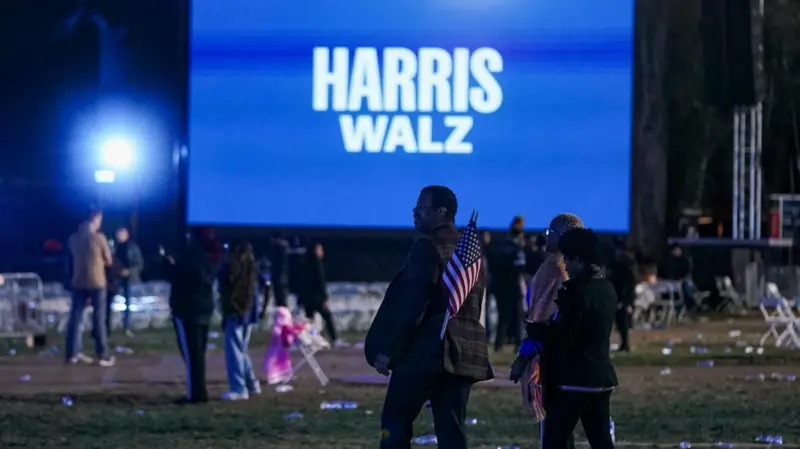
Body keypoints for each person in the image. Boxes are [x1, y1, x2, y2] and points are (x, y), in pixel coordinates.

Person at [365, 185, 493, 449]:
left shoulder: (428, 247)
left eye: (421, 206)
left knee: (395, 421)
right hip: (463, 353)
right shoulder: (470, 250)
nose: (415, 211)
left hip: (427, 353)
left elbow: (414, 304)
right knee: (451, 430)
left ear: (440, 211)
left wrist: (390, 350)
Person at [527, 228, 618, 449]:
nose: (565, 265)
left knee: (555, 441)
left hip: (573, 380)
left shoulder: (577, 291)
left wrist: (535, 330)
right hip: (601, 377)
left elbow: (564, 337)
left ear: (578, 259)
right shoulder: (606, 287)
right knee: (601, 440)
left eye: (567, 258)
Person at [510, 213, 583, 448]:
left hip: (551, 358)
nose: (545, 236)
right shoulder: (566, 266)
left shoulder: (556, 268)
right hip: (563, 357)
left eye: (550, 232)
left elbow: (543, 318)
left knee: (553, 431)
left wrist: (525, 354)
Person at [166, 227, 220, 405]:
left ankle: (195, 393)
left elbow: (182, 277)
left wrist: (170, 266)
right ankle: (198, 390)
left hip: (189, 308)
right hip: (204, 307)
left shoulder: (191, 256)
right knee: (198, 353)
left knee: (191, 353)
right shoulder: (213, 256)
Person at [64, 209, 116, 367]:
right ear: (95, 219)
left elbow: (71, 258)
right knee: (98, 318)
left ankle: (72, 353)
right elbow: (109, 260)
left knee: (75, 318)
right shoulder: (99, 238)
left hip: (78, 281)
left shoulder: (73, 239)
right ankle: (102, 354)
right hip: (97, 282)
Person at [218, 242, 262, 400]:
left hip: (235, 313)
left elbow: (227, 291)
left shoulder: (233, 267)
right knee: (241, 350)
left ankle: (239, 388)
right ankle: (251, 384)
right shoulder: (252, 267)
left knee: (234, 351)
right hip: (247, 314)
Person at [488, 223, 526, 352]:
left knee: (503, 317)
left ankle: (498, 345)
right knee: (517, 317)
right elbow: (520, 269)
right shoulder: (516, 249)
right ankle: (518, 344)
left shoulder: (497, 248)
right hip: (513, 288)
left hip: (499, 287)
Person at [298, 242, 343, 347]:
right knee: (327, 317)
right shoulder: (317, 263)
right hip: (317, 297)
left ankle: (310, 340)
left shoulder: (304, 263)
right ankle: (335, 339)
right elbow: (321, 281)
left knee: (310, 320)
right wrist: (325, 297)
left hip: (307, 298)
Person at [113, 227, 144, 337]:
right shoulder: (115, 247)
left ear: (127, 235)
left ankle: (126, 327)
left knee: (128, 304)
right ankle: (110, 326)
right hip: (117, 279)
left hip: (129, 280)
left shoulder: (132, 247)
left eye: (121, 233)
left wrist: (129, 271)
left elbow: (139, 264)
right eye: (118, 233)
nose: (119, 236)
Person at [607, 242, 637, 352]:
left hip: (624, 299)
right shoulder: (618, 267)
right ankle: (624, 344)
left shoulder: (626, 269)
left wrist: (624, 301)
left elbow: (627, 287)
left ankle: (625, 344)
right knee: (620, 322)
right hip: (620, 298)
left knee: (623, 322)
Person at [268, 231, 290, 307]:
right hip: (283, 277)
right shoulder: (285, 247)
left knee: (280, 299)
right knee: (282, 298)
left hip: (278, 277)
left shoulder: (278, 246)